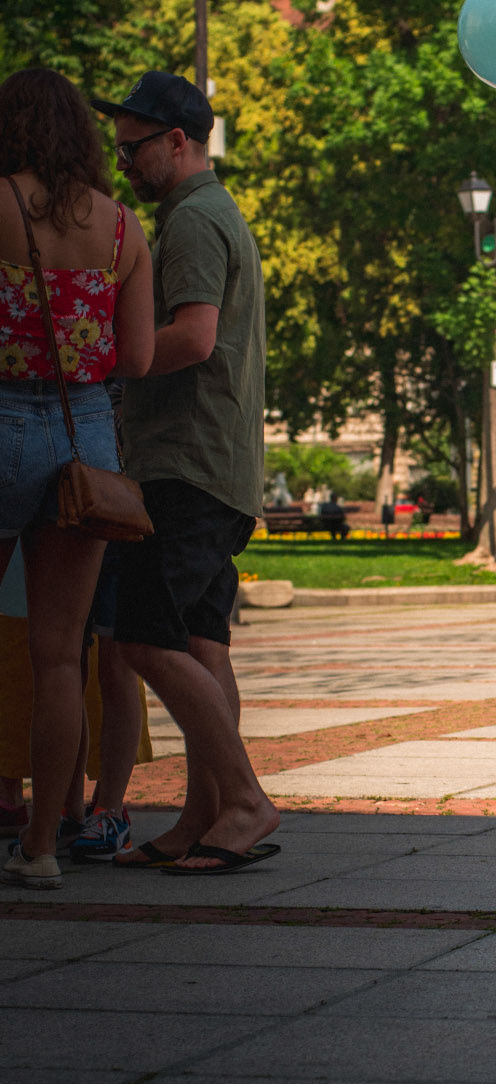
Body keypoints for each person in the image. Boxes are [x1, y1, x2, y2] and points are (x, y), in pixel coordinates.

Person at [92, 70, 278, 875]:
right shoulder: (211, 212)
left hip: (186, 463)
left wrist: (107, 360)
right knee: (202, 644)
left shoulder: (193, 220)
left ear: (177, 142)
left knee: (142, 635)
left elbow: (194, 337)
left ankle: (244, 801)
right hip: (216, 463)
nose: (123, 162)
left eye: (133, 148)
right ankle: (204, 817)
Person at [0, 67, 154, 888]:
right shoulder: (124, 227)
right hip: (84, 434)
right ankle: (41, 849)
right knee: (61, 657)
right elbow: (137, 357)